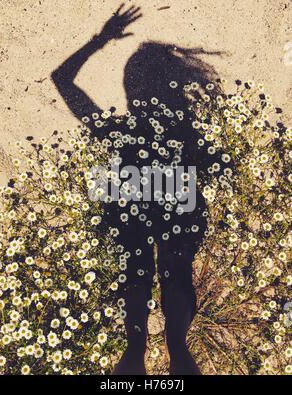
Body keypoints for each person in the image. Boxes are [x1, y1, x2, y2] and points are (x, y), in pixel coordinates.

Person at [52, 3, 228, 375]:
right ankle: (176, 343)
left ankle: (136, 345)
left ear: (131, 91)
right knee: (175, 271)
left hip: (127, 194)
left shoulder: (118, 132)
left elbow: (61, 79)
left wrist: (100, 40)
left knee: (135, 272)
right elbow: (213, 169)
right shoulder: (186, 131)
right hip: (177, 192)